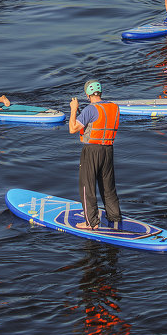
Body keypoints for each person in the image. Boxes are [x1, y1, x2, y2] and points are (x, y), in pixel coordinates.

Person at [69, 80, 122, 231]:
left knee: (87, 186)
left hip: (92, 150)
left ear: (87, 94)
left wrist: (74, 109)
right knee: (108, 186)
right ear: (101, 93)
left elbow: (73, 129)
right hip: (108, 149)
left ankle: (91, 222)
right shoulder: (114, 107)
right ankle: (114, 217)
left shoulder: (90, 109)